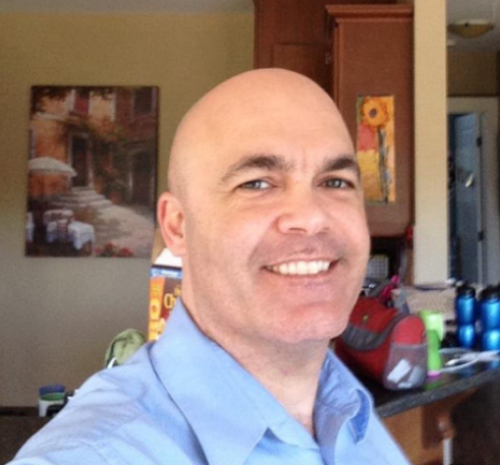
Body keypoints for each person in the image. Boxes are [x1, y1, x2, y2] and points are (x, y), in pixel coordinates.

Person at [10, 69, 410, 464]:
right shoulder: (92, 454)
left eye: (336, 182)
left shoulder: (350, 408)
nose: (312, 217)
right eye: (257, 183)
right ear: (177, 226)